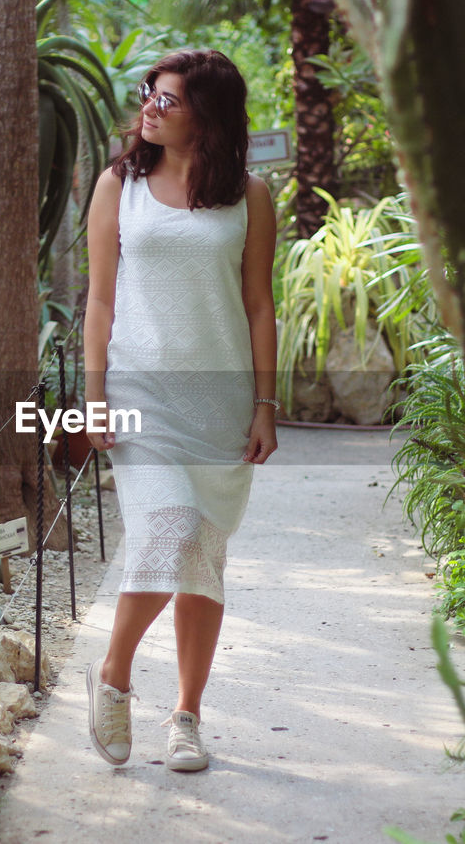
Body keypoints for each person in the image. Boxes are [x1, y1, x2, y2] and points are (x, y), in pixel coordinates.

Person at [82, 49, 279, 773]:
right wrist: (92, 397)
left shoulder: (249, 195)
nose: (151, 107)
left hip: (221, 404)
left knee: (202, 559)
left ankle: (187, 716)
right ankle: (114, 673)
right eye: (149, 95)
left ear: (209, 114)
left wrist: (265, 404)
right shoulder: (119, 184)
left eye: (169, 99)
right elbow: (99, 301)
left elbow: (259, 305)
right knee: (168, 530)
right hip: (140, 394)